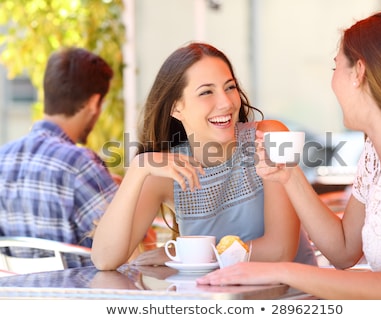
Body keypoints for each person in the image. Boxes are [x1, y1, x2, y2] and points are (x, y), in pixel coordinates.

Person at [197, 12, 381, 300]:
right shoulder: (376, 153)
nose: (332, 83)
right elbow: (343, 250)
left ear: (359, 72)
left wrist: (280, 270)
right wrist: (289, 175)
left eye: (335, 68)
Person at [91, 42, 317, 270]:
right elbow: (104, 259)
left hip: (290, 297)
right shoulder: (168, 171)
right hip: (213, 302)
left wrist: (187, 254)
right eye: (206, 92)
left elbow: (280, 251)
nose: (226, 102)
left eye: (230, 87)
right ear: (176, 108)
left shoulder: (268, 136)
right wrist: (138, 169)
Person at [0, 47, 118, 268]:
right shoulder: (80, 165)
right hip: (76, 299)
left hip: (15, 298)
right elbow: (127, 245)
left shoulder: (3, 159)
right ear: (94, 103)